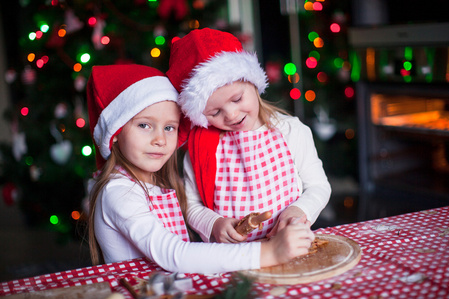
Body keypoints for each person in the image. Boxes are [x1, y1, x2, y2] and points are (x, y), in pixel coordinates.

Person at [86, 64, 315, 274]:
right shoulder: (118, 192)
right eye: (144, 125)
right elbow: (173, 255)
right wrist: (269, 252)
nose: (160, 139)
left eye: (169, 127)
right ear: (115, 133)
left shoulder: (152, 183)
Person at [166, 28, 331, 244]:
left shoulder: (291, 131)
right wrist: (213, 223)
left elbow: (318, 186)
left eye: (237, 99)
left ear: (253, 84)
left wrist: (299, 211)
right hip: (232, 256)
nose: (232, 115)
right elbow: (191, 204)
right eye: (215, 112)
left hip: (287, 246)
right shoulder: (201, 149)